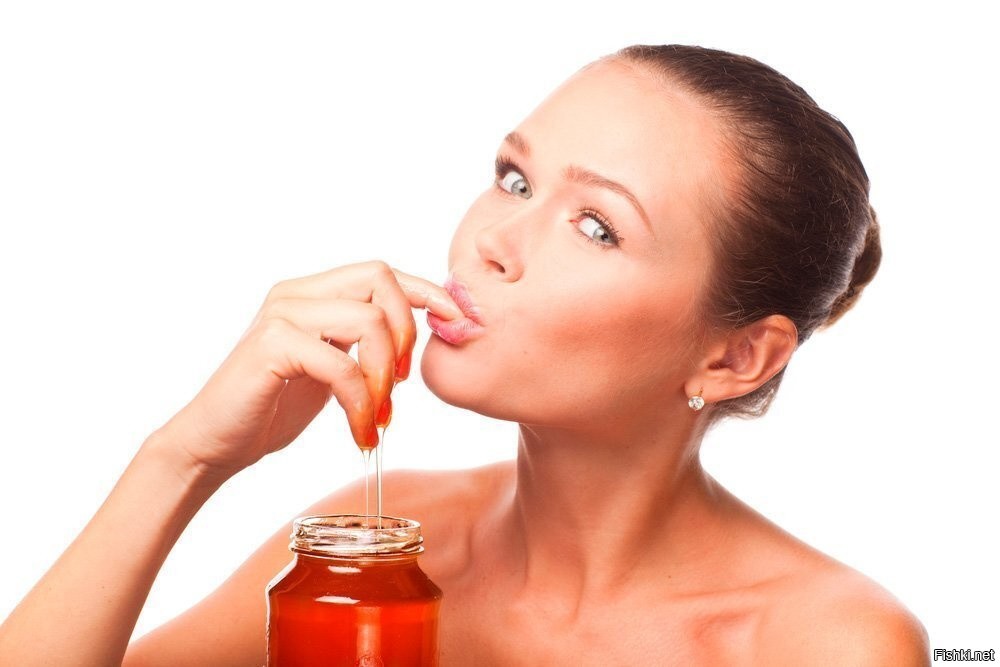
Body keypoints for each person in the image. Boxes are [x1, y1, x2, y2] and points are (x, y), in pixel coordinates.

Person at [0, 44, 929, 665]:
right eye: (515, 179)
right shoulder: (375, 544)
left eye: (596, 226)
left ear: (736, 358)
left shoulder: (827, 642)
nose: (492, 241)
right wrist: (186, 457)